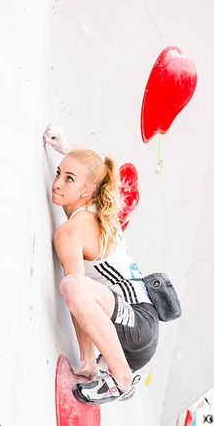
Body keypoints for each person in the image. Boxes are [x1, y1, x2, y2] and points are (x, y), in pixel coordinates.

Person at [43, 124, 159, 405]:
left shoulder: (72, 231)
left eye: (69, 179)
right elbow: (99, 169)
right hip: (139, 330)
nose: (57, 183)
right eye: (59, 173)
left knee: (72, 285)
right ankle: (111, 369)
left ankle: (121, 381)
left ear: (88, 190)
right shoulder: (96, 204)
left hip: (136, 325)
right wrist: (67, 149)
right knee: (76, 286)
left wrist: (87, 360)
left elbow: (77, 298)